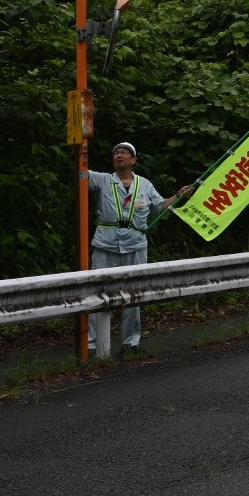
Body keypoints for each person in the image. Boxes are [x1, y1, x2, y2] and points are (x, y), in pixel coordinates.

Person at [87, 141, 192, 351]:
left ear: (133, 160)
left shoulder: (144, 185)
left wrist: (178, 195)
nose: (119, 155)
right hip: (105, 245)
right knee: (98, 294)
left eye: (124, 152)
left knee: (133, 295)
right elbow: (80, 174)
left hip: (135, 245)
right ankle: (92, 344)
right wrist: (79, 145)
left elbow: (160, 207)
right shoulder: (103, 180)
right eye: (116, 152)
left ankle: (131, 343)